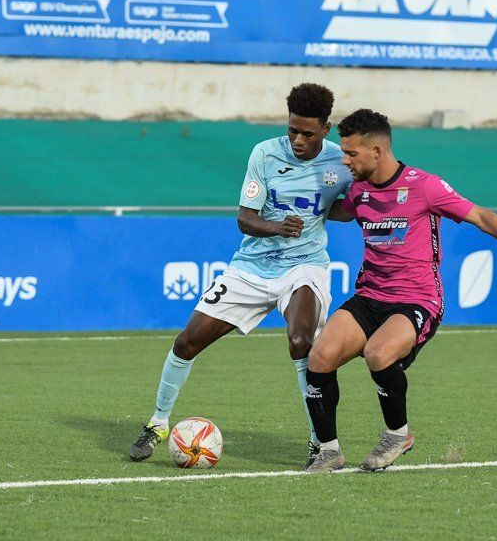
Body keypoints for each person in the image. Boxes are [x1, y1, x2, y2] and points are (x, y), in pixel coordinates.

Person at [302, 109, 497, 473]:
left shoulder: (424, 185)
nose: (344, 160)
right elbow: (339, 211)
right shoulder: (359, 189)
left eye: (351, 153)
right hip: (370, 295)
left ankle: (398, 434)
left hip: (417, 298)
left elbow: (482, 217)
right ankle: (329, 450)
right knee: (320, 357)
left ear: (377, 151)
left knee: (378, 354)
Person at [129, 83, 352, 468]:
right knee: (187, 342)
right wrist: (278, 226)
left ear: (326, 129)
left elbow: (346, 210)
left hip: (305, 266)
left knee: (302, 341)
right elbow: (245, 220)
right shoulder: (264, 154)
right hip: (251, 267)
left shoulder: (339, 162)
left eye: (307, 133)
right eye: (292, 130)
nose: (298, 140)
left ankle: (320, 442)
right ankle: (158, 422)